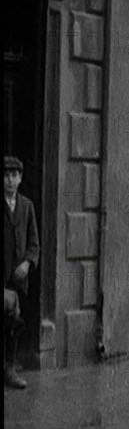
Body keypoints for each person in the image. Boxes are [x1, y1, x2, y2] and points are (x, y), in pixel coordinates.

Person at [4, 156, 40, 389]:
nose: (9, 180)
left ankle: (10, 368)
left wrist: (27, 264)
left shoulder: (27, 206)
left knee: (13, 324)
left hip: (18, 277)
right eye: (5, 175)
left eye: (14, 175)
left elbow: (34, 244)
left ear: (20, 178)